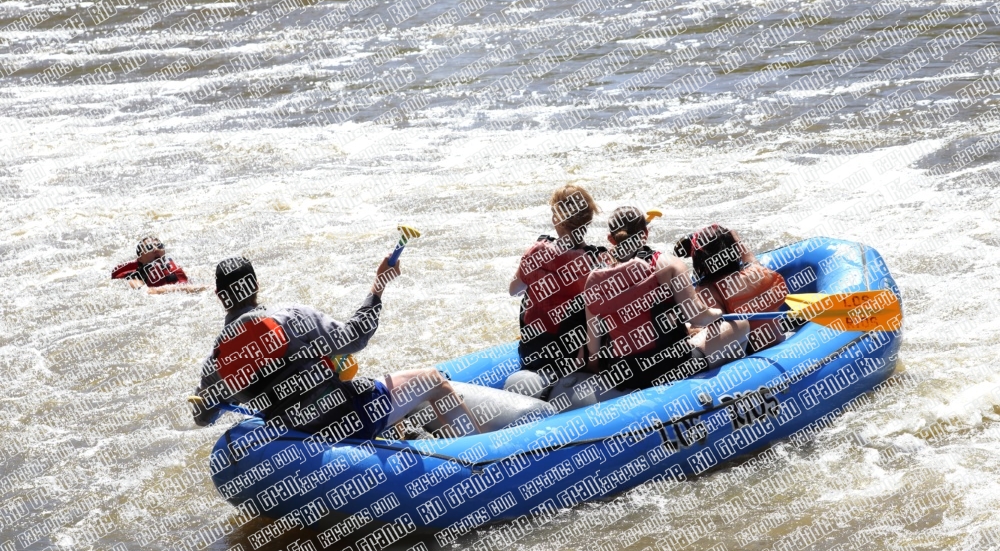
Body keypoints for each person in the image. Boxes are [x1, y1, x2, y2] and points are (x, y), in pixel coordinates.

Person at [190, 256, 481, 440]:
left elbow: (203, 417)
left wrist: (210, 406)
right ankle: (480, 458)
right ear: (255, 285)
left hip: (293, 434)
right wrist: (377, 287)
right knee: (433, 379)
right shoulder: (291, 318)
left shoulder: (214, 363)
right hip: (346, 419)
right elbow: (357, 336)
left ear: (219, 296)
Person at [583, 207, 750, 392]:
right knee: (740, 324)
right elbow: (698, 317)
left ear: (610, 239)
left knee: (686, 329)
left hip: (625, 375)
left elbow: (594, 349)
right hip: (672, 366)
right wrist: (719, 313)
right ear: (644, 234)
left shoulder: (594, 279)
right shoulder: (667, 264)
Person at [503, 185, 608, 400]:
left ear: (555, 218)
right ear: (588, 220)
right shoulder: (598, 261)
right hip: (573, 360)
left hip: (533, 354)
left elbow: (514, 290)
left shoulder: (537, 251)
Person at [675, 224, 788, 352]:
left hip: (751, 353)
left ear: (702, 261)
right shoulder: (758, 271)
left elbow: (714, 331)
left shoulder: (709, 291)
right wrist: (732, 237)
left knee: (689, 326)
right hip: (779, 339)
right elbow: (749, 257)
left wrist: (690, 329)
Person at [111, 237, 206, 294]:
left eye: (159, 246)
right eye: (149, 247)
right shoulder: (134, 277)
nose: (156, 249)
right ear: (140, 258)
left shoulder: (173, 266)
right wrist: (185, 288)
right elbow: (147, 292)